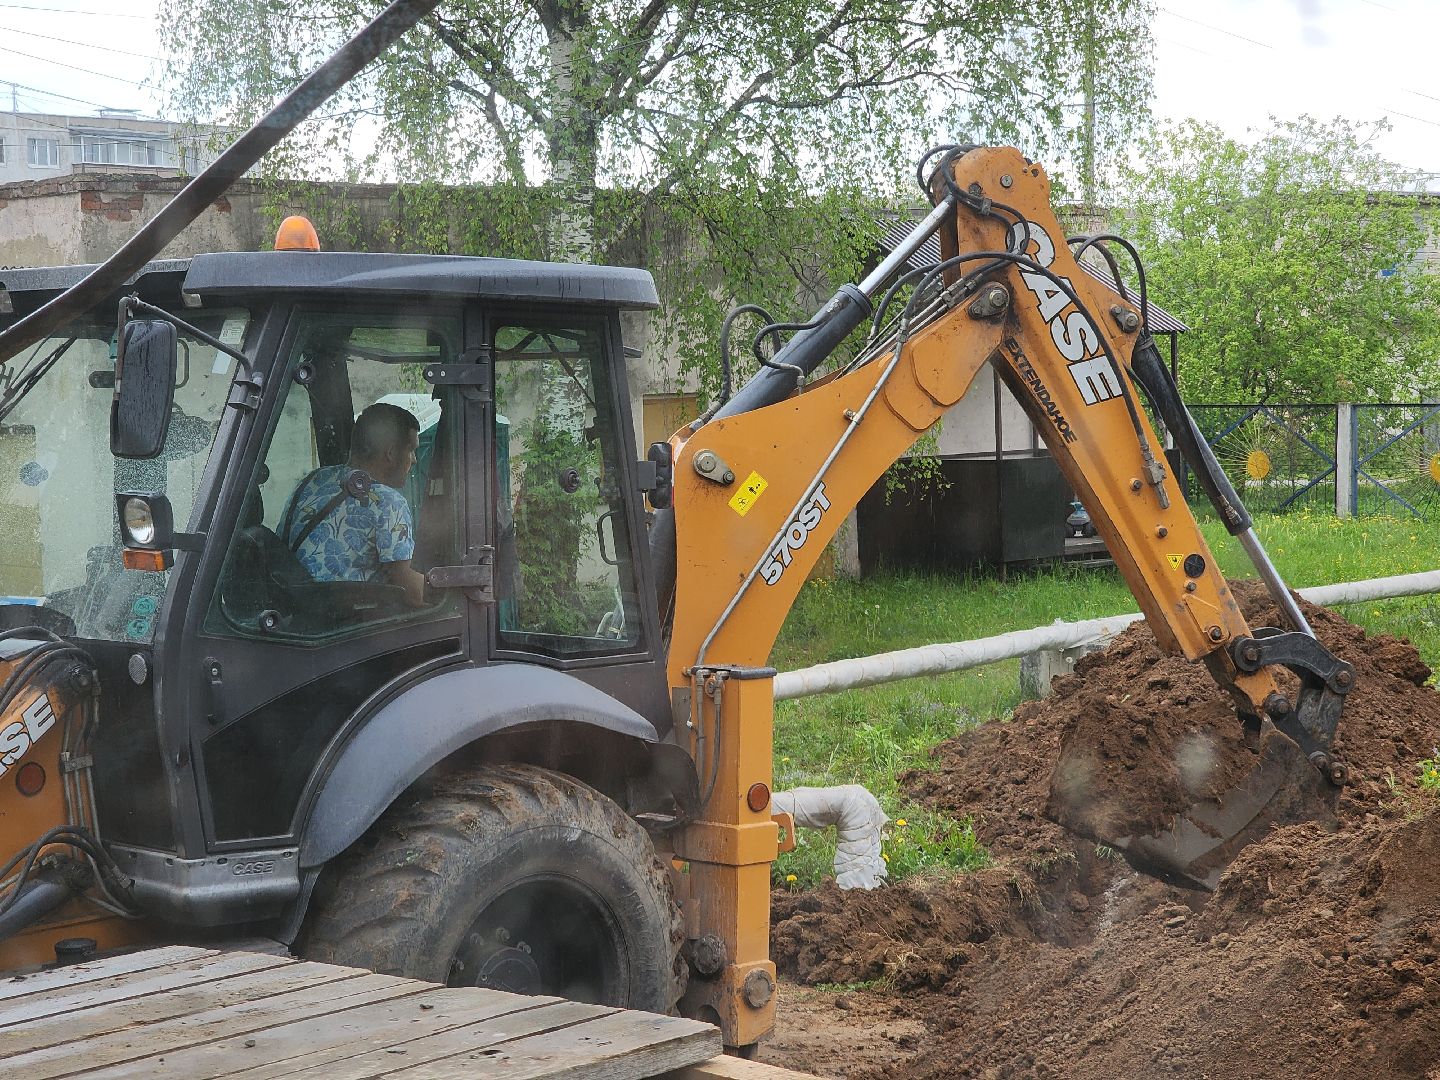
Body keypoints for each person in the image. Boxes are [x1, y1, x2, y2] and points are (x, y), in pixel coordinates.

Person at [281, 402, 427, 606]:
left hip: (293, 611)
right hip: (344, 624)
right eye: (411, 451)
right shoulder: (388, 502)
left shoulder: (313, 480)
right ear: (391, 453)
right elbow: (412, 593)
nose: (414, 460)